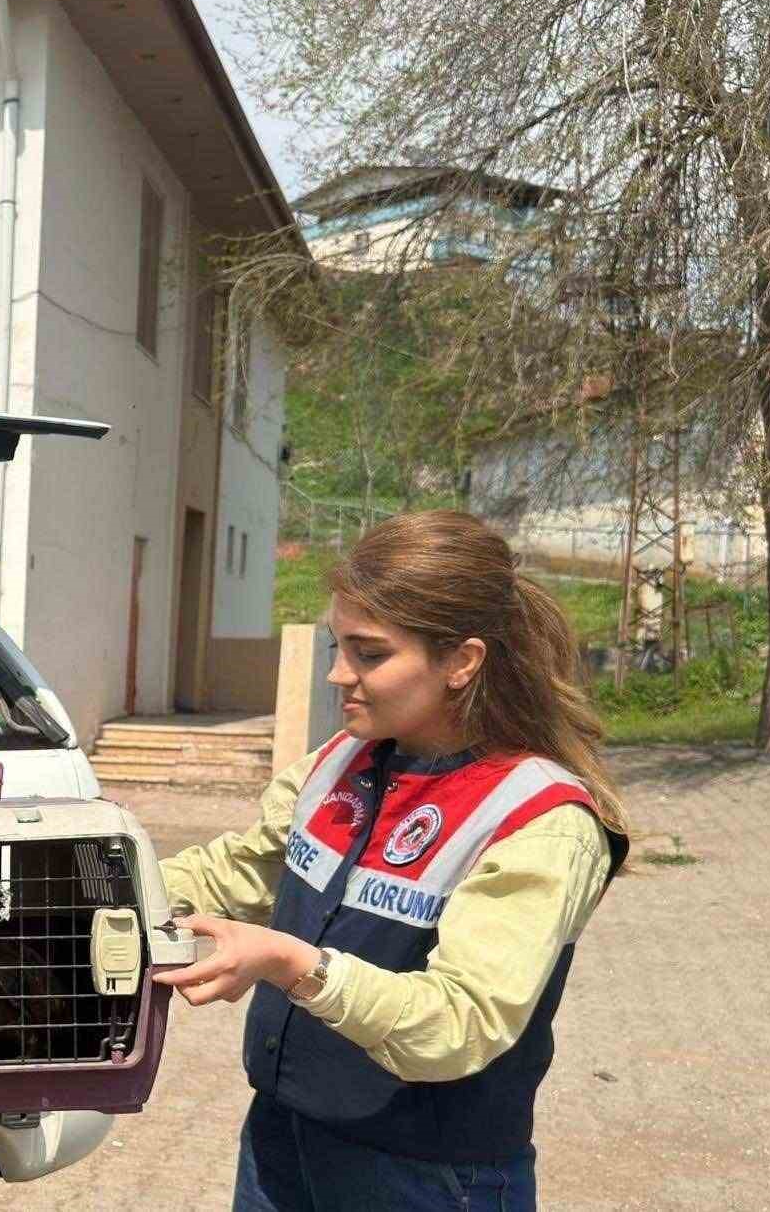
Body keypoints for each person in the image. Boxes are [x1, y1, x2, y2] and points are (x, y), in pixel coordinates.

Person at [153, 510, 629, 1212]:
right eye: (337, 645)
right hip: (284, 1142)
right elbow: (239, 873)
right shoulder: (339, 761)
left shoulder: (542, 820)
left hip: (427, 1178)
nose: (336, 673)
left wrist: (292, 964)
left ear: (462, 661)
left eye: (369, 654)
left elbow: (461, 1020)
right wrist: (85, 875)